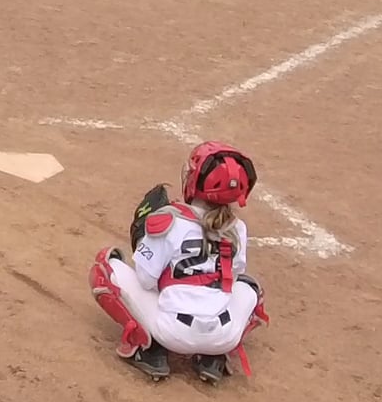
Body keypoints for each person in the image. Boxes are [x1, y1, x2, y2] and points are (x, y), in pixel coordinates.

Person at [88, 142, 270, 383]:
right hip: (223, 335)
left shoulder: (169, 220)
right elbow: (232, 278)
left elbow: (146, 280)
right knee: (249, 287)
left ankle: (149, 348)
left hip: (173, 333)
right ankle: (213, 357)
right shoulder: (238, 228)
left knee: (105, 266)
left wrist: (153, 252)